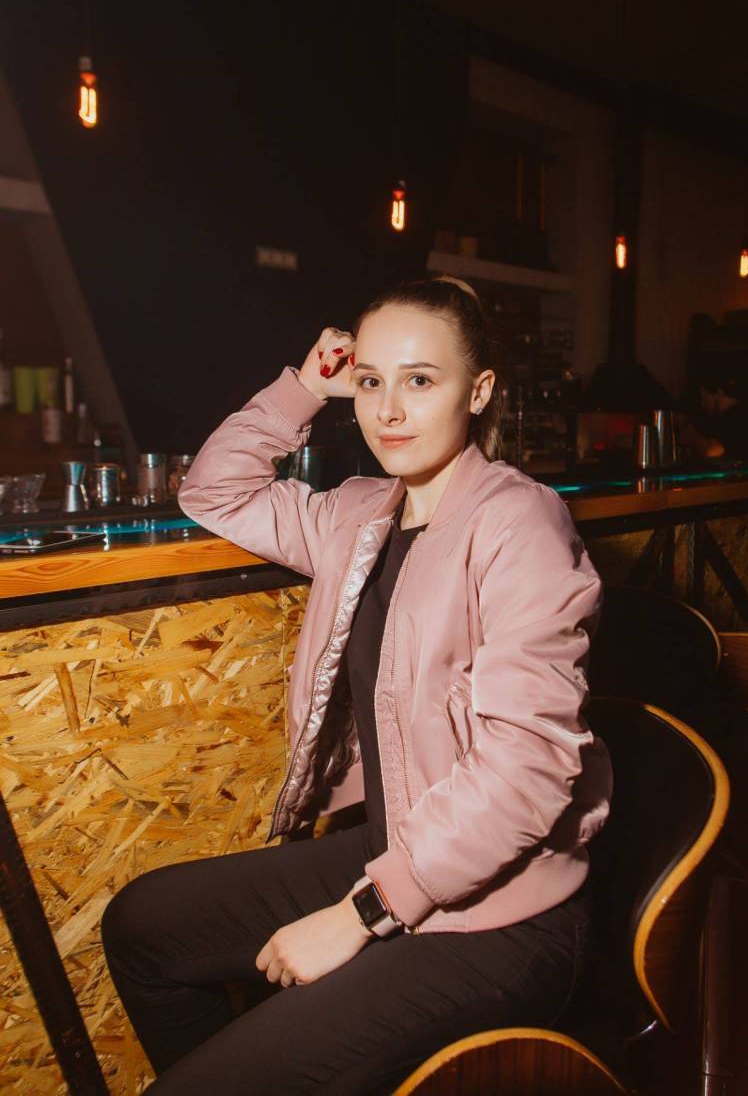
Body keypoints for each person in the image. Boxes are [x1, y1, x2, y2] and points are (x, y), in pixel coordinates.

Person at [101, 275, 613, 1095]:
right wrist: (305, 387)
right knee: (143, 926)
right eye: (372, 382)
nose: (389, 411)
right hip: (397, 845)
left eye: (421, 380)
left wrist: (359, 915)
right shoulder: (359, 514)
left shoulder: (520, 522)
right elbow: (212, 491)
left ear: (479, 391)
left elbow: (528, 772)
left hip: (508, 917)